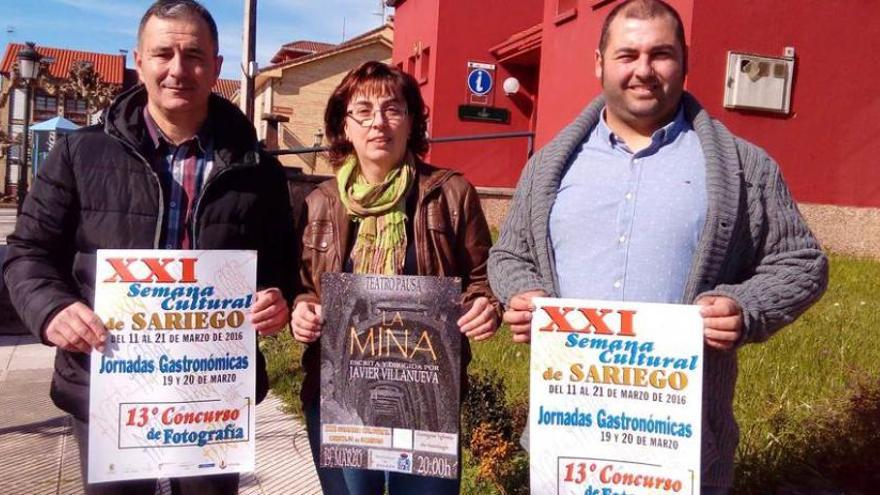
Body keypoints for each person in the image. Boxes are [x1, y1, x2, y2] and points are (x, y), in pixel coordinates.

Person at [487, 1, 828, 493]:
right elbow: (509, 255)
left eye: (660, 54)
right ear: (599, 62)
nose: (643, 70)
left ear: (684, 62)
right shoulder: (549, 167)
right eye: (627, 54)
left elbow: (801, 262)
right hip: (568, 443)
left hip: (680, 452)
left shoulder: (742, 168)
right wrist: (524, 293)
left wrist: (745, 306)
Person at [2, 1, 296, 494]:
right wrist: (53, 309)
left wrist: (276, 297)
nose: (178, 69)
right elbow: (27, 251)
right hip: (107, 384)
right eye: (164, 53)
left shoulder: (258, 170)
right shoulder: (79, 153)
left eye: (195, 55)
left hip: (212, 394)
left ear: (217, 67)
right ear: (139, 61)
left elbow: (282, 265)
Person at [290, 61, 500, 495]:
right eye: (362, 111)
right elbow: (303, 287)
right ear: (343, 126)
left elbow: (486, 280)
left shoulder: (451, 194)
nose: (378, 123)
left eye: (392, 109)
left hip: (427, 404)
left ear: (412, 122)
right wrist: (302, 310)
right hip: (339, 400)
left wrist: (486, 307)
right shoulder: (317, 203)